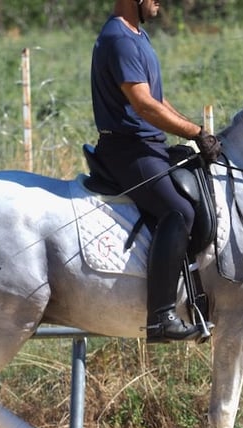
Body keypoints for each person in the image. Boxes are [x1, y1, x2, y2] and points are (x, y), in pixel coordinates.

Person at [90, 0, 221, 343]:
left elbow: (158, 100)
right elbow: (143, 104)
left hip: (147, 144)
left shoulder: (137, 35)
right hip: (127, 149)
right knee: (177, 210)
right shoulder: (119, 38)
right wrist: (193, 132)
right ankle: (161, 316)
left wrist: (196, 132)